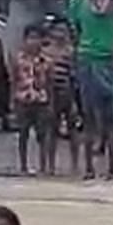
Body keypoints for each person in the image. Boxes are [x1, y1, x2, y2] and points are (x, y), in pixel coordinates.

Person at [67, 0, 113, 180]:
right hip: (90, 58)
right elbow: (74, 29)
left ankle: (110, 169)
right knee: (90, 117)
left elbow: (75, 29)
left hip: (103, 59)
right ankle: (92, 168)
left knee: (107, 119)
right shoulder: (78, 0)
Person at [13, 23, 55, 176]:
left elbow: (50, 83)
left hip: (41, 100)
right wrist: (14, 100)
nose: (33, 42)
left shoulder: (47, 61)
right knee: (23, 133)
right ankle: (23, 166)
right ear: (24, 40)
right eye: (30, 38)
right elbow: (13, 79)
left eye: (36, 38)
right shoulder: (18, 59)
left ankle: (43, 166)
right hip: (23, 100)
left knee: (42, 135)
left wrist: (50, 102)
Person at [43, 20, 80, 176]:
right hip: (51, 94)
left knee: (73, 131)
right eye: (57, 30)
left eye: (63, 31)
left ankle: (75, 164)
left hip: (67, 93)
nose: (60, 34)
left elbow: (74, 77)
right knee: (51, 130)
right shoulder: (46, 52)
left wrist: (74, 102)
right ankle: (50, 165)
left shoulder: (70, 52)